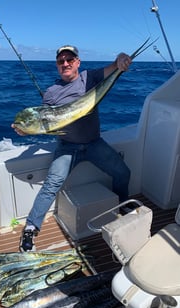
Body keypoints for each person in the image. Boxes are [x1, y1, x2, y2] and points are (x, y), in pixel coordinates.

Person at [12, 45, 132, 252]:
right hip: (67, 147)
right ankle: (31, 227)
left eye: (70, 59)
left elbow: (114, 67)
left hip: (94, 144)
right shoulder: (51, 93)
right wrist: (27, 130)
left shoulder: (90, 77)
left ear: (78, 62)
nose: (65, 64)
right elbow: (47, 124)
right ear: (57, 66)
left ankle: (122, 204)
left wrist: (121, 59)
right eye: (61, 61)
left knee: (123, 172)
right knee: (51, 184)